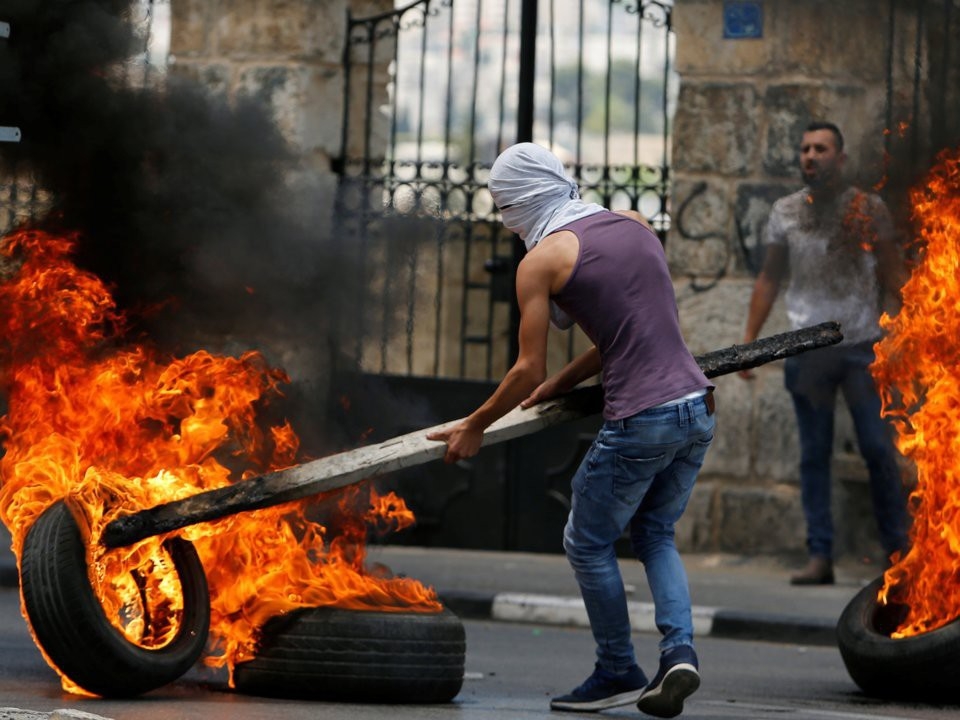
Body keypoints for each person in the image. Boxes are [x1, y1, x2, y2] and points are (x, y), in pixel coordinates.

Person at [427, 142, 715, 717]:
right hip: (697, 407)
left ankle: (617, 668)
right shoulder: (634, 224)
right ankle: (678, 653)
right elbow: (634, 331)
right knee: (655, 533)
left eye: (504, 208)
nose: (506, 223)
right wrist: (563, 383)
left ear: (519, 201)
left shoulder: (541, 262)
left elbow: (525, 369)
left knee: (586, 541)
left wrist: (475, 425)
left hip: (642, 417)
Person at [741, 121, 910, 585]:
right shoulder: (786, 212)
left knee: (877, 448)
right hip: (807, 347)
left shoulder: (868, 209)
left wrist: (912, 330)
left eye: (821, 149)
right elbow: (769, 278)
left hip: (861, 346)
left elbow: (893, 273)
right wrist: (750, 343)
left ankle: (898, 552)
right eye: (805, 149)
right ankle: (820, 556)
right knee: (814, 454)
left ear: (841, 157)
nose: (810, 157)